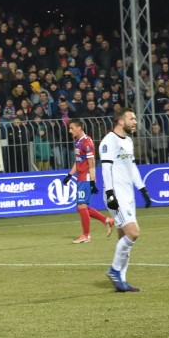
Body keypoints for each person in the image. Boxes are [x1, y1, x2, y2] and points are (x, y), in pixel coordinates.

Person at [99, 108, 152, 293]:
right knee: (133, 232)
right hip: (116, 196)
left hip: (128, 196)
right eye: (132, 118)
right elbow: (106, 170)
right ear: (121, 122)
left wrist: (142, 188)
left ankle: (121, 280)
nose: (135, 121)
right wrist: (110, 194)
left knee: (125, 238)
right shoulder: (108, 141)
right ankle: (114, 270)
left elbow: (132, 167)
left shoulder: (128, 141)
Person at [64, 119, 113, 244]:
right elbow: (78, 161)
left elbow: (92, 164)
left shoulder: (87, 143)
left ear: (80, 128)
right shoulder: (78, 141)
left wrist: (92, 181)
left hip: (86, 177)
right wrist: (70, 175)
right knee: (81, 207)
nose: (70, 131)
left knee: (81, 206)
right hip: (80, 177)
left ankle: (86, 236)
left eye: (72, 128)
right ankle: (107, 220)